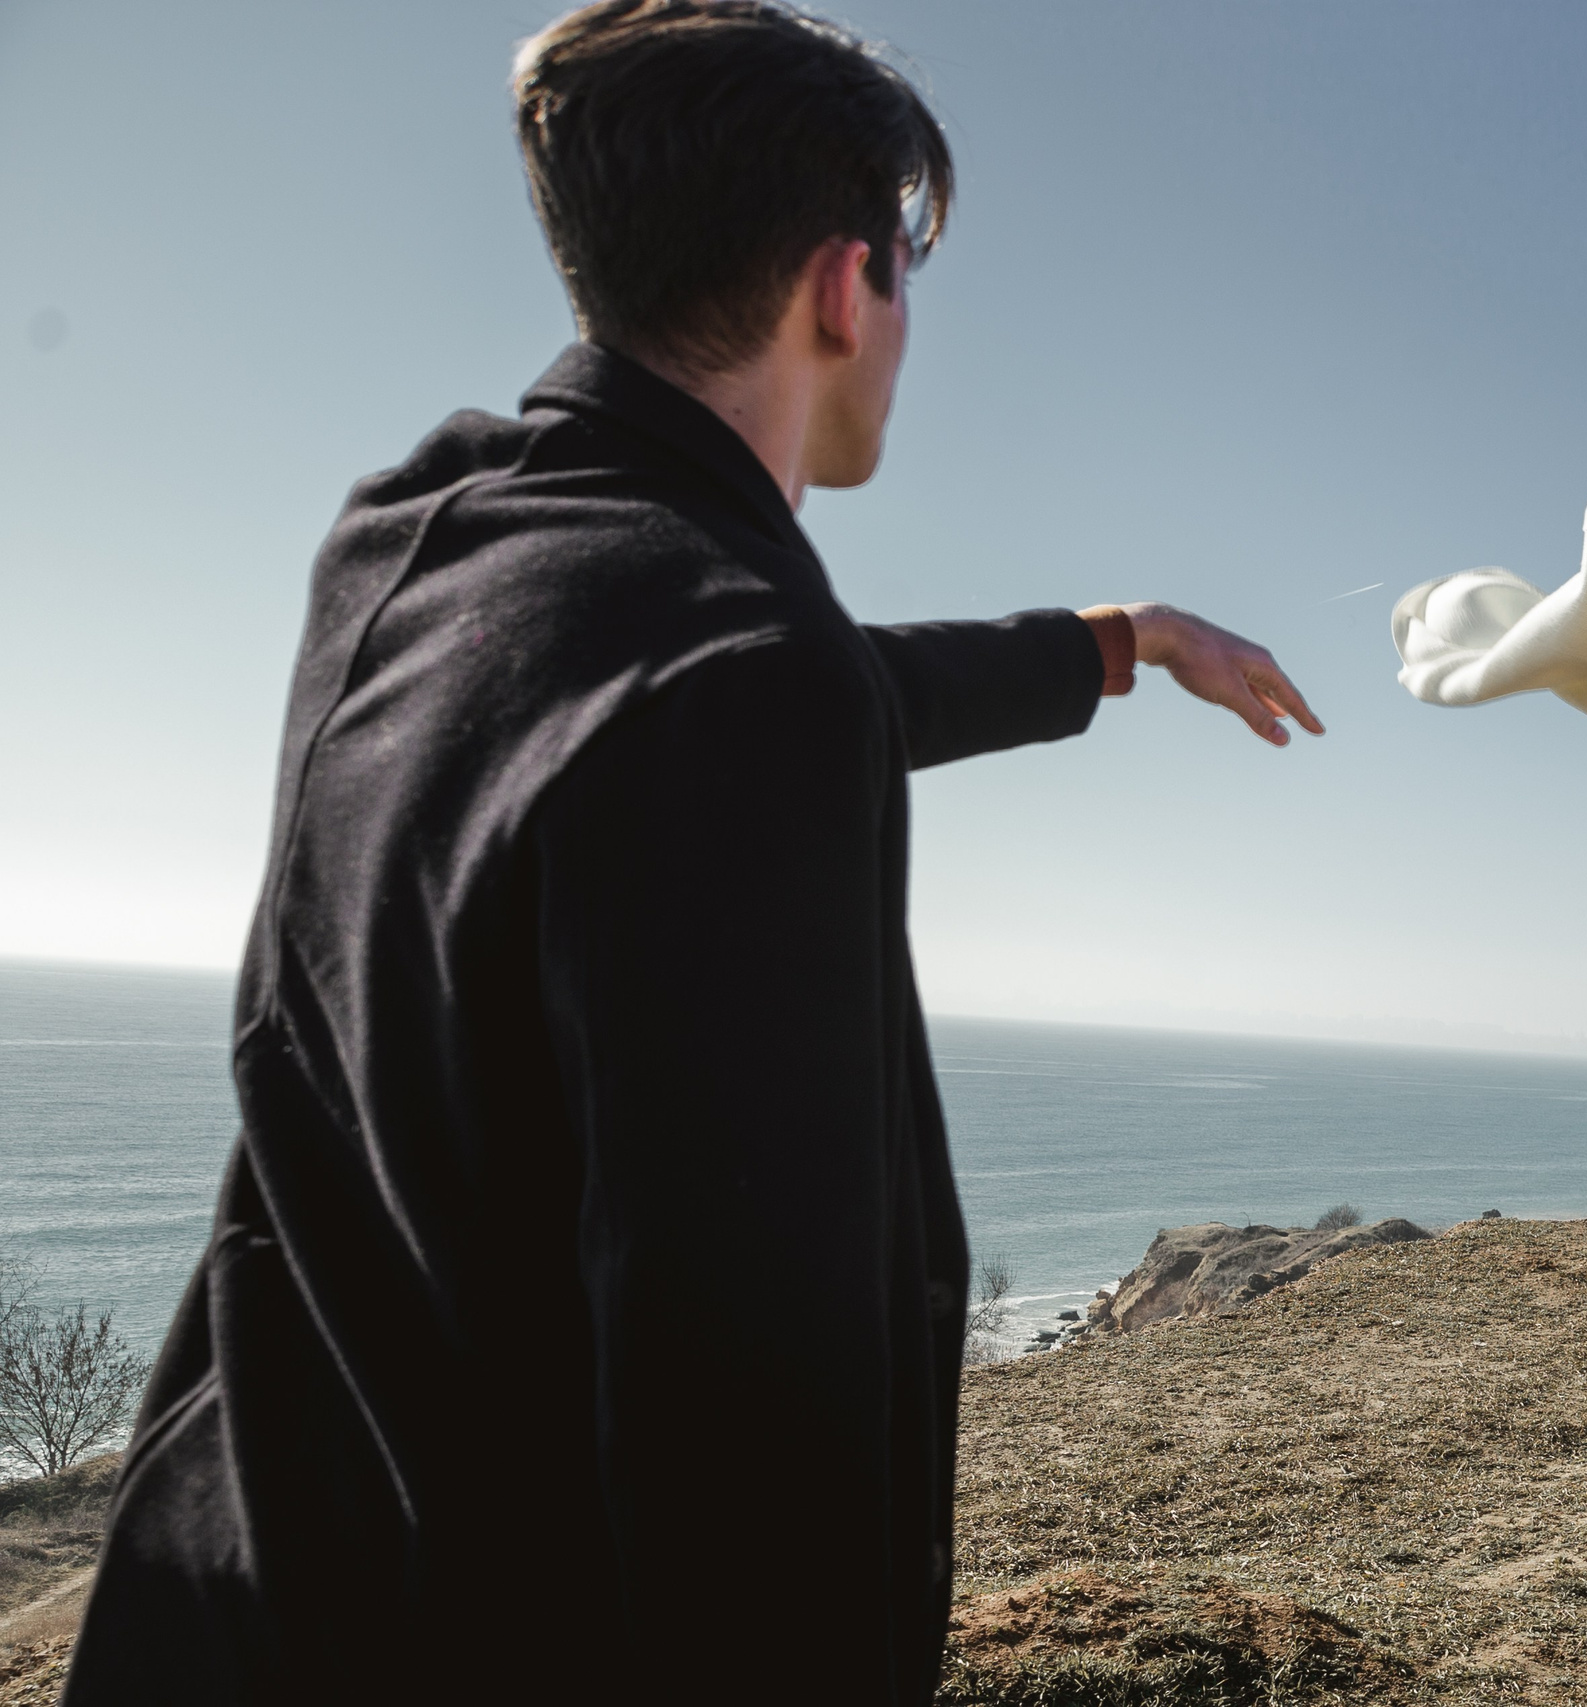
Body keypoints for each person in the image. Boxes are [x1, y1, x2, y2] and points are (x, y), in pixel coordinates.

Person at [64, 5, 1320, 1702]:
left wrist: (1121, 638)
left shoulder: (422, 531)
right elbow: (744, 1419)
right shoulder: (733, 685)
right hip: (490, 1632)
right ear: (838, 289)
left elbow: (782, 687)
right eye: (905, 275)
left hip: (247, 1574)